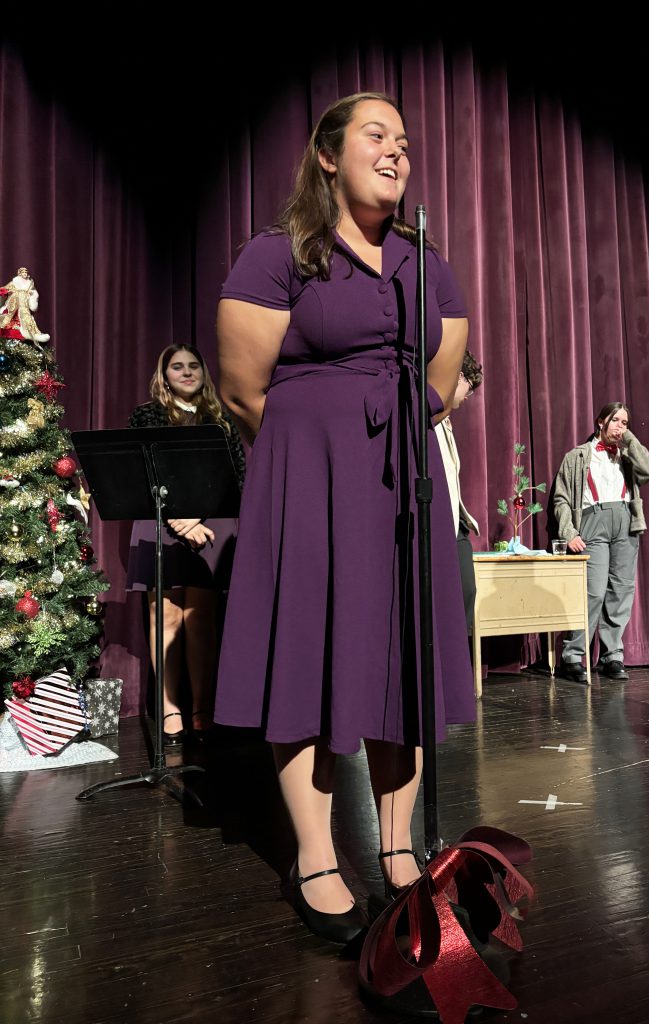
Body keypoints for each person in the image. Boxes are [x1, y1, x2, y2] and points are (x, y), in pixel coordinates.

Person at [213, 92, 475, 944]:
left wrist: (389, 436)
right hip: (309, 477)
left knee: (406, 654)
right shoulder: (276, 253)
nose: (398, 148)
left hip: (405, 481)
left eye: (405, 138)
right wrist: (313, 452)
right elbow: (242, 388)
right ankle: (317, 855)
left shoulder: (426, 260)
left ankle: (398, 851)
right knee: (308, 652)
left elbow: (441, 381)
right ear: (328, 156)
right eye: (377, 134)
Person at [126, 345, 245, 742]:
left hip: (212, 523)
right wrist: (179, 519)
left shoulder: (221, 418)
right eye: (178, 366)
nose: (187, 372)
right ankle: (168, 706)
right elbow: (139, 475)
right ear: (165, 374)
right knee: (167, 616)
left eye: (193, 365)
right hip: (160, 522)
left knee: (201, 619)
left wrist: (197, 518)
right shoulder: (146, 415)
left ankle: (202, 707)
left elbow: (237, 479)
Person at [553, 402, 649, 682]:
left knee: (621, 590)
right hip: (593, 521)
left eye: (626, 423)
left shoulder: (627, 455)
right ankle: (573, 656)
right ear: (600, 422)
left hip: (626, 521)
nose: (620, 428)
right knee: (593, 591)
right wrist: (570, 532)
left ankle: (613, 655)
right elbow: (561, 498)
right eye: (616, 421)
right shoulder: (577, 456)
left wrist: (630, 441)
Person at [435, 350, 482, 630]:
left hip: (456, 524)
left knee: (466, 593)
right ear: (458, 376)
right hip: (440, 524)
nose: (468, 397)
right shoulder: (431, 418)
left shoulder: (446, 422)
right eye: (469, 388)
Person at [0, 267, 50, 342]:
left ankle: (31, 333)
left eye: (26, 272)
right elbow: (6, 289)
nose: (25, 274)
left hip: (24, 303)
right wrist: (5, 292)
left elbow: (33, 292)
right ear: (20, 274)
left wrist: (32, 294)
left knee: (26, 316)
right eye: (23, 272)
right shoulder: (15, 281)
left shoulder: (30, 283)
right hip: (15, 302)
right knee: (9, 316)